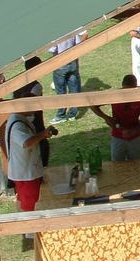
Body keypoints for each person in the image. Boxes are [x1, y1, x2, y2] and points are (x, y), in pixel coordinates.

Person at [6, 90, 56, 230]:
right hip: (25, 172)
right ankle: (30, 230)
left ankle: (28, 226)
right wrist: (43, 135)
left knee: (27, 199)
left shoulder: (22, 120)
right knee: (29, 201)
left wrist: (42, 133)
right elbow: (26, 143)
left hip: (27, 168)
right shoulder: (17, 125)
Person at [90, 75, 140, 161]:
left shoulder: (139, 98)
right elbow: (92, 104)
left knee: (135, 164)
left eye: (130, 91)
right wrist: (106, 117)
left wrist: (134, 130)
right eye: (125, 91)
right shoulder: (115, 96)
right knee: (117, 164)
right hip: (118, 135)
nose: (127, 94)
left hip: (134, 137)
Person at [14, 56, 50, 167]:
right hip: (34, 123)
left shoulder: (17, 84)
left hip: (21, 120)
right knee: (41, 148)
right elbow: (32, 106)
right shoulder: (36, 86)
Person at [49, 29, 88, 124]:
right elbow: (79, 40)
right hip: (73, 61)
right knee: (74, 88)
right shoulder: (72, 27)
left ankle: (61, 115)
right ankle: (72, 114)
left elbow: (52, 49)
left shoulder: (54, 31)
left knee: (61, 91)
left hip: (60, 63)